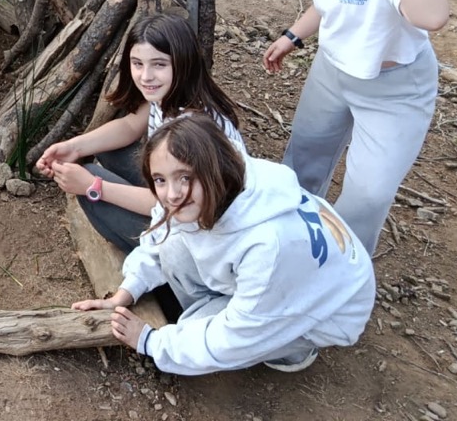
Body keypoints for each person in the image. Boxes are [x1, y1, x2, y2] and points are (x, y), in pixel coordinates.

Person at [73, 116, 375, 375]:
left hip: (326, 312)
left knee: (201, 343)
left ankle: (295, 349)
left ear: (212, 167)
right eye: (160, 180)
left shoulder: (267, 246)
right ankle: (211, 313)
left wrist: (152, 342)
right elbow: (163, 233)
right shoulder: (227, 181)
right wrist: (125, 292)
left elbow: (234, 338)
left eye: (184, 177)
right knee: (173, 250)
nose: (172, 194)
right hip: (292, 279)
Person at [263, 0, 448, 255]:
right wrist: (294, 35)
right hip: (332, 71)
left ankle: (341, 270)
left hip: (393, 90)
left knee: (367, 196)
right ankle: (289, 240)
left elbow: (433, 16)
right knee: (304, 159)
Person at [36, 14, 245, 252]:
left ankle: (152, 265)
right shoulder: (172, 94)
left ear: (183, 62)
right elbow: (131, 126)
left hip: (202, 236)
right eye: (138, 64)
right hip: (178, 194)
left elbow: (174, 202)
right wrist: (74, 147)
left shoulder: (192, 129)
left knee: (90, 183)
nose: (146, 76)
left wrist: (93, 186)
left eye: (159, 64)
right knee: (109, 149)